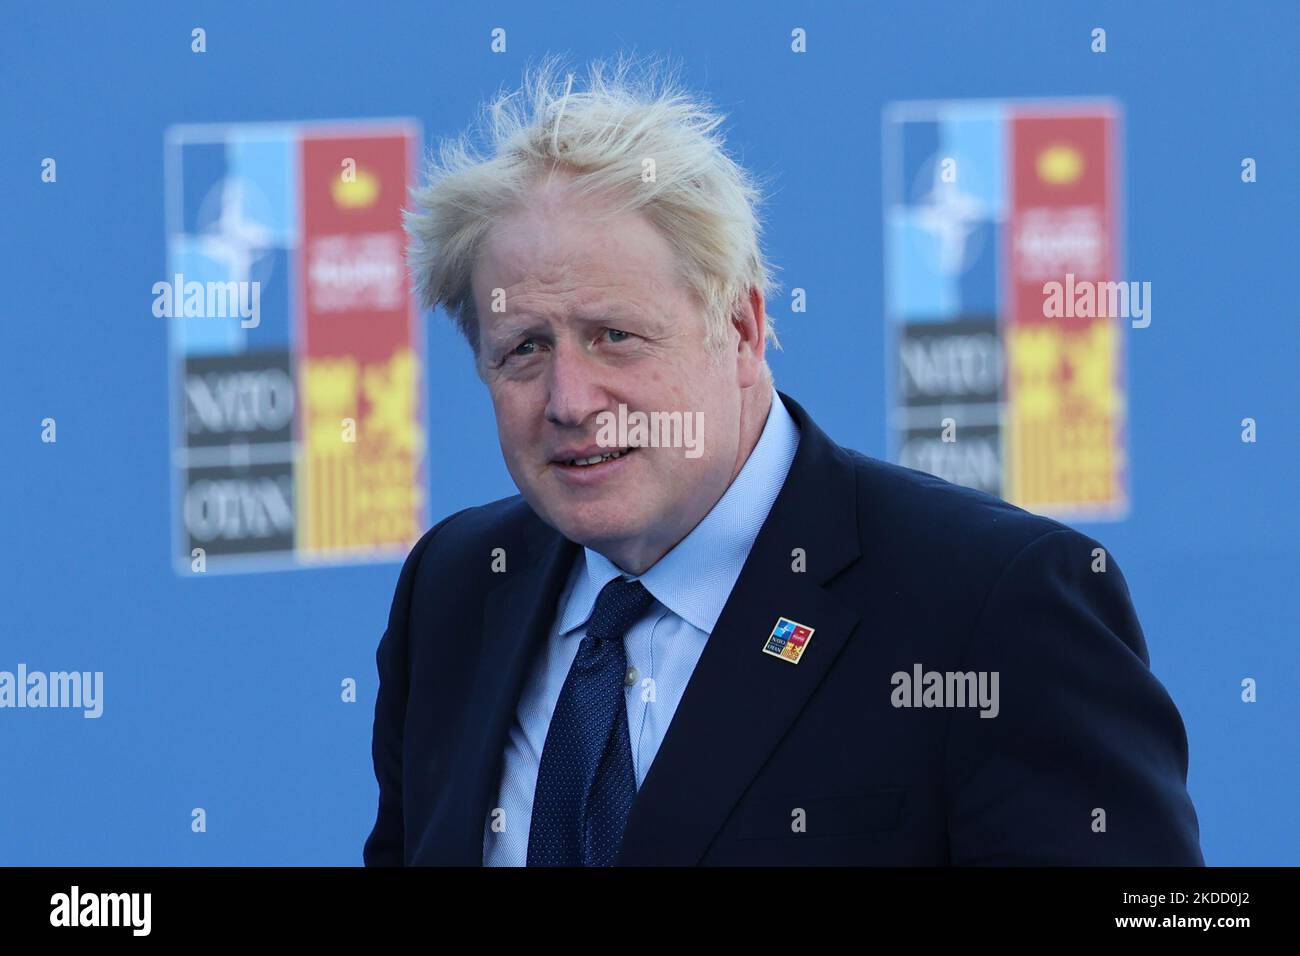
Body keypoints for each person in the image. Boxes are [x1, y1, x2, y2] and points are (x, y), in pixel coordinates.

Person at [363, 55, 1203, 866]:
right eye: (525, 349)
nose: (570, 399)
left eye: (614, 336)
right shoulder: (458, 587)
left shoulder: (989, 604)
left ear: (741, 329)